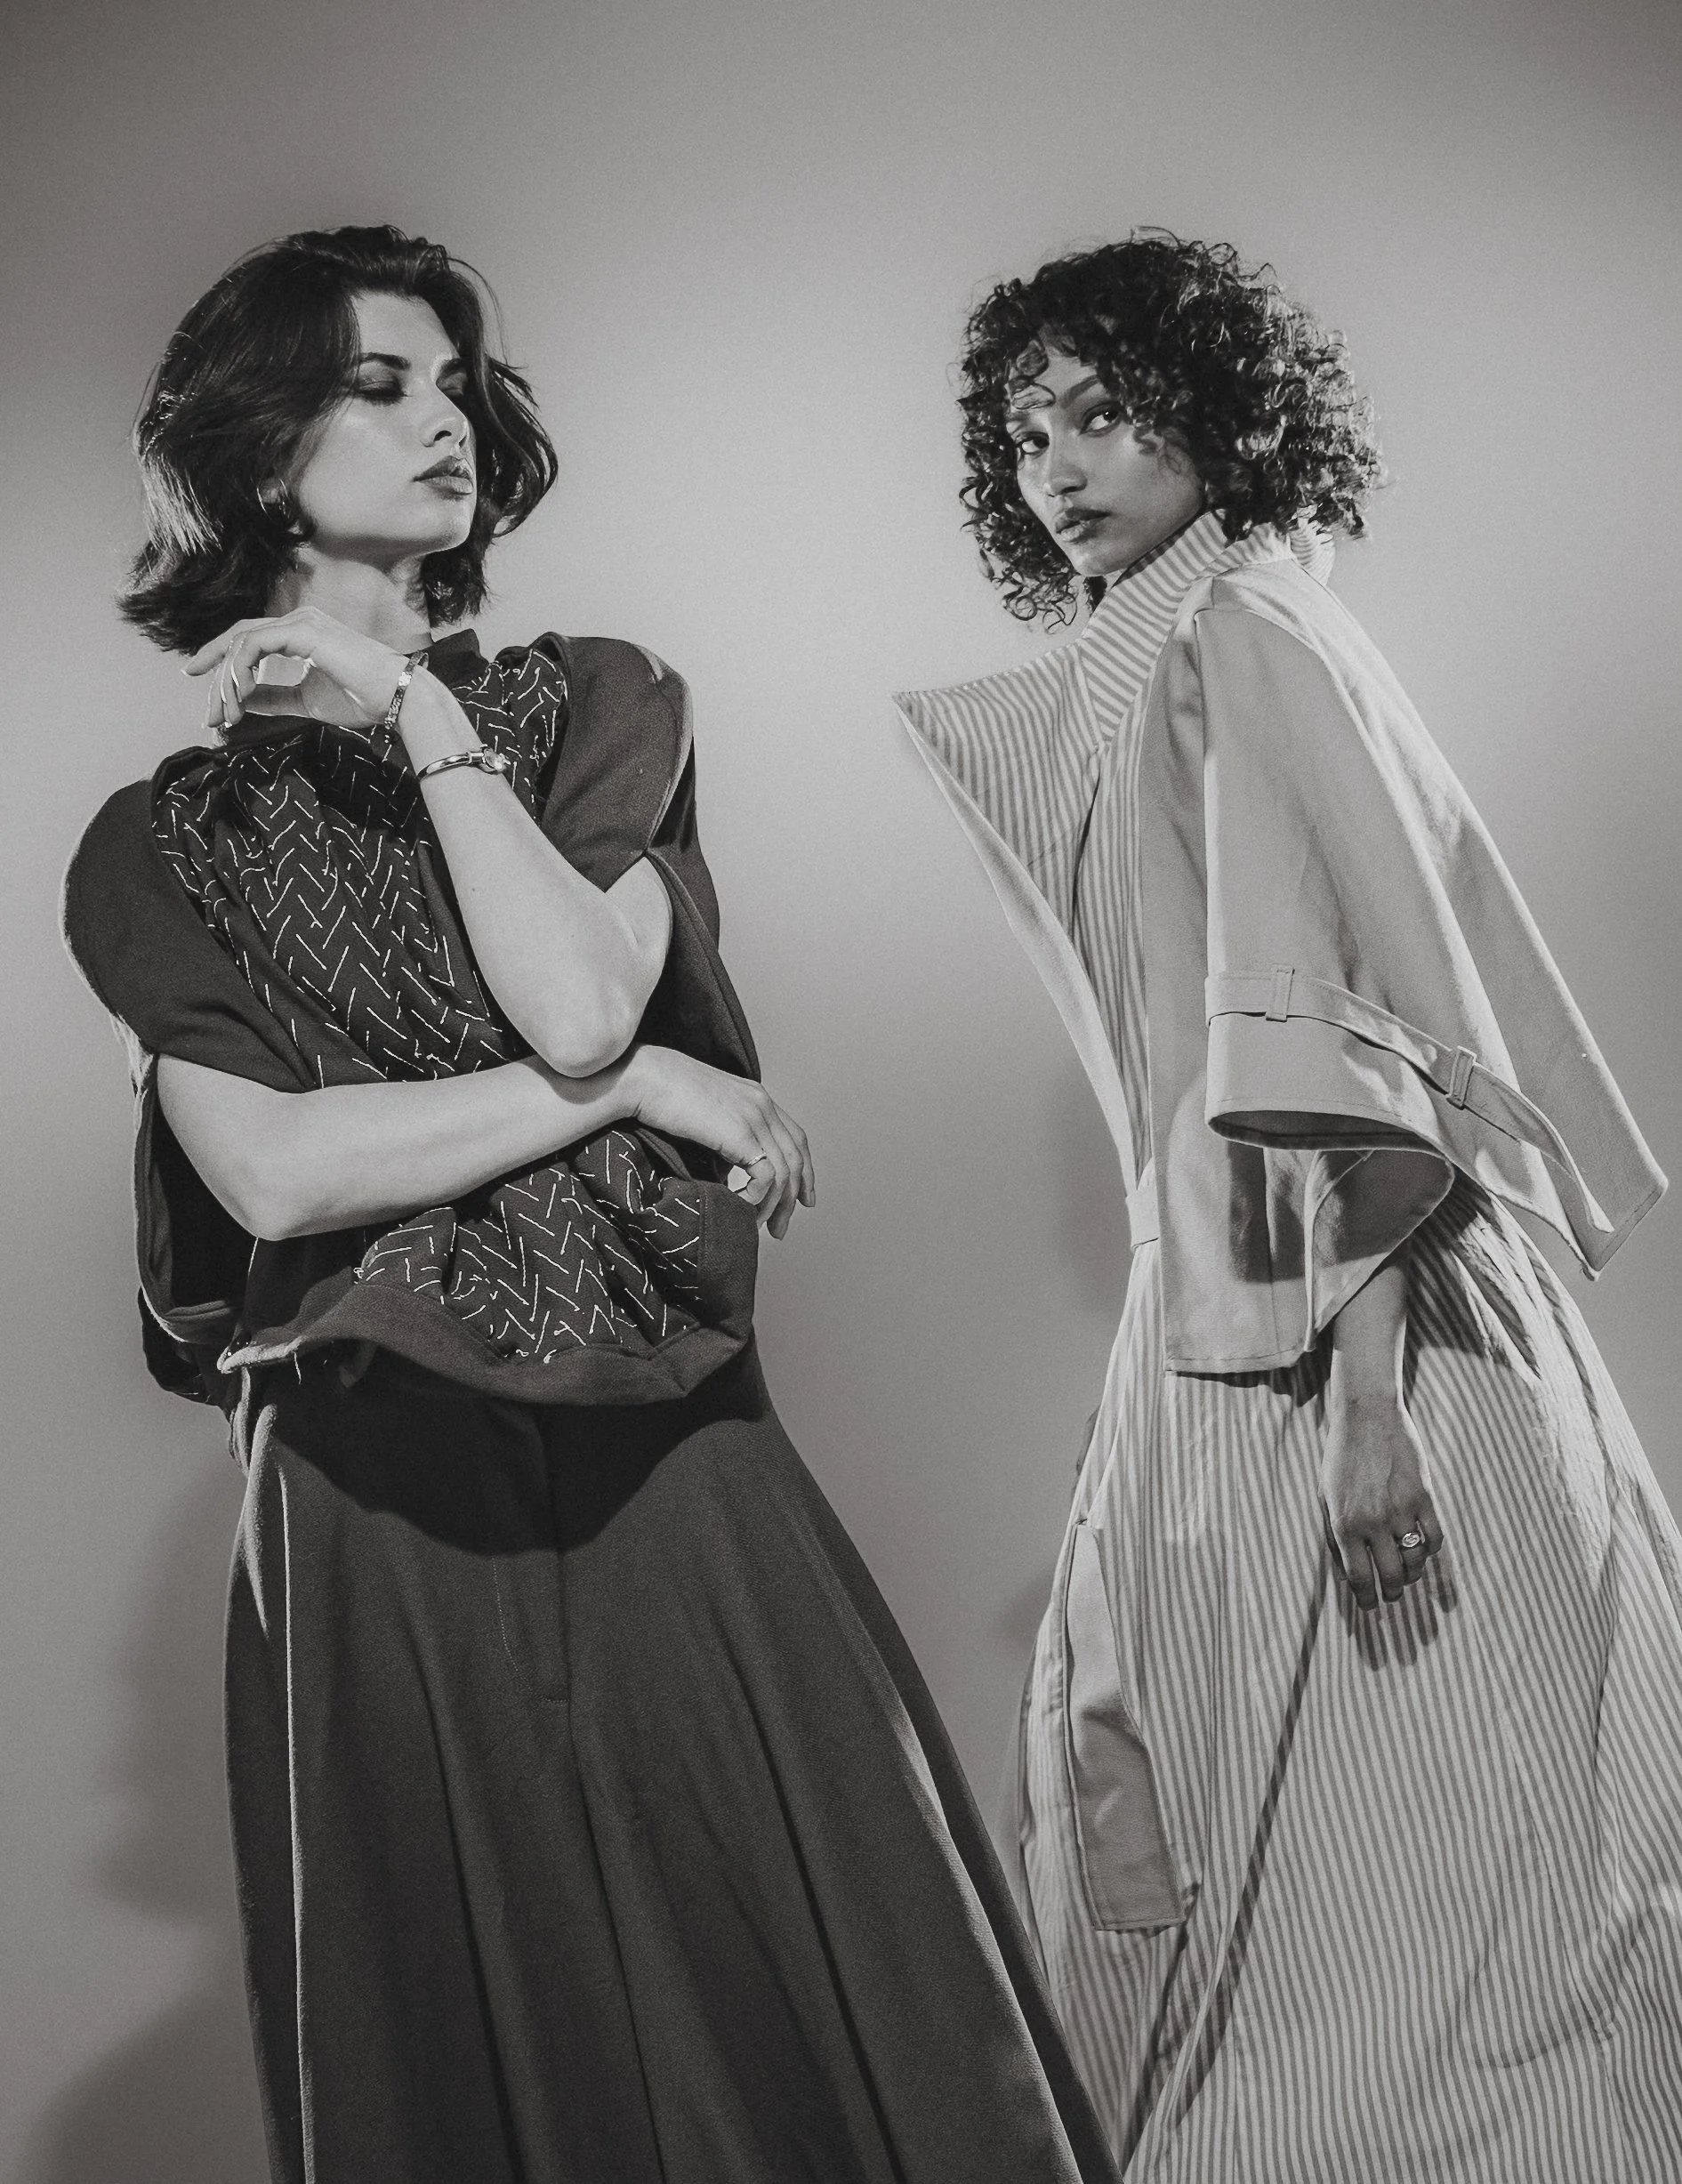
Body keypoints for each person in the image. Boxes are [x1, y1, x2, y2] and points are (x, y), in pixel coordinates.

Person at [62, 224, 1118, 2184]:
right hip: (364, 1474)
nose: (440, 416)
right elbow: (283, 1174)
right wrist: (635, 1088)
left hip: (659, 1414)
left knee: (838, 1956)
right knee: (470, 2022)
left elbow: (565, 993)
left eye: (455, 379)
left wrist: (417, 722)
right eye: (378, 385)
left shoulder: (596, 701)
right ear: (254, 446)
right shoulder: (149, 850)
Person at [897, 231, 1682, 2181]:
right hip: (1252, 1323)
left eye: (1103, 409)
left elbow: (1330, 1028)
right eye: (1025, 429)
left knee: (1440, 1913)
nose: (1057, 463)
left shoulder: (1239, 625)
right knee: (1340, 1889)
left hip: (1355, 1344)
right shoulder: (1188, 637)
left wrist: (1363, 1409)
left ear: (1220, 411)